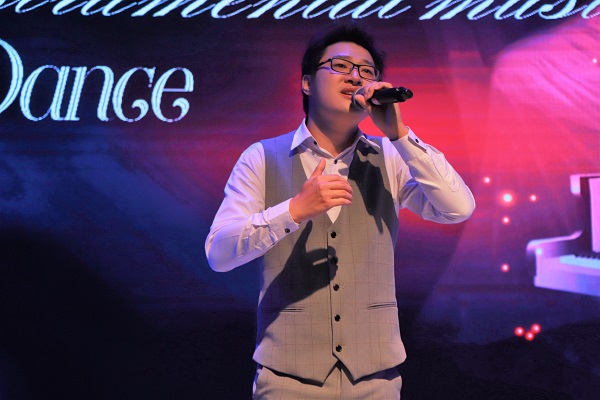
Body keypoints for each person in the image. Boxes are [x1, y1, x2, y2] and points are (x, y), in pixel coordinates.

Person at [205, 23, 475, 399]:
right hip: (287, 379)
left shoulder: (391, 156)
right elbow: (219, 253)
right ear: (306, 82)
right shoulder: (262, 157)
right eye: (341, 66)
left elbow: (458, 209)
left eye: (366, 71)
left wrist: (400, 135)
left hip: (375, 379)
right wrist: (294, 210)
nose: (355, 77)